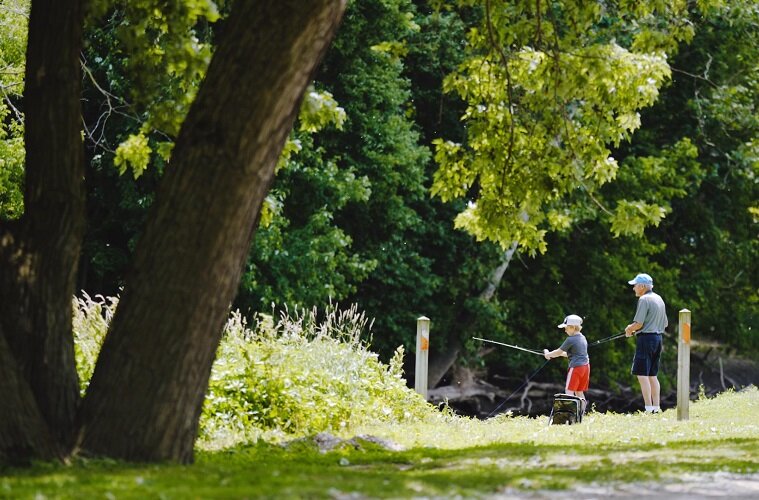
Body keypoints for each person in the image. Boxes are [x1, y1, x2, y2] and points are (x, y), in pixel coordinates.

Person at [624, 273, 668, 413]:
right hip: (658, 339)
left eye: (635, 285)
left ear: (642, 286)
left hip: (646, 339)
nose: (634, 289)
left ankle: (648, 408)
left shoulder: (644, 299)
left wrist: (629, 329)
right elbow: (665, 323)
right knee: (652, 375)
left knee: (642, 374)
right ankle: (656, 407)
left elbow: (639, 323)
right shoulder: (659, 298)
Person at [544, 314, 590, 413]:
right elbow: (572, 354)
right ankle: (582, 413)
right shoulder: (582, 337)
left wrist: (548, 354)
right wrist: (557, 354)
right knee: (579, 392)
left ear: (573, 327)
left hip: (576, 368)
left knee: (569, 391)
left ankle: (570, 414)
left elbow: (558, 352)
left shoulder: (571, 339)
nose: (565, 330)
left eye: (566, 328)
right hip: (585, 367)